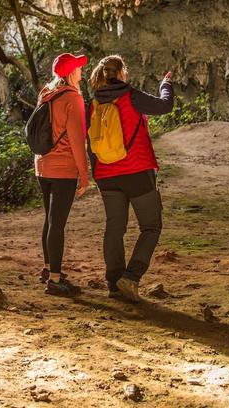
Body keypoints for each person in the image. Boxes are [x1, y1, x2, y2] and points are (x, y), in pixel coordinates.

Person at [88, 55, 173, 302]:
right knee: (151, 226)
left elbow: (90, 143)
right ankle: (131, 277)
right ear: (122, 73)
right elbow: (165, 106)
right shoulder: (131, 96)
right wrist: (166, 85)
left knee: (114, 228)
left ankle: (114, 284)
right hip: (137, 172)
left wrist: (97, 174)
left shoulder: (92, 103)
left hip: (106, 174)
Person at [34, 52, 90, 297]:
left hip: (42, 165)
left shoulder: (46, 92)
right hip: (63, 168)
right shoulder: (73, 98)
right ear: (71, 73)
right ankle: (55, 280)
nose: (81, 72)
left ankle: (48, 269)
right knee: (58, 223)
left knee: (50, 218)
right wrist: (85, 175)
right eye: (78, 68)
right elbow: (78, 141)